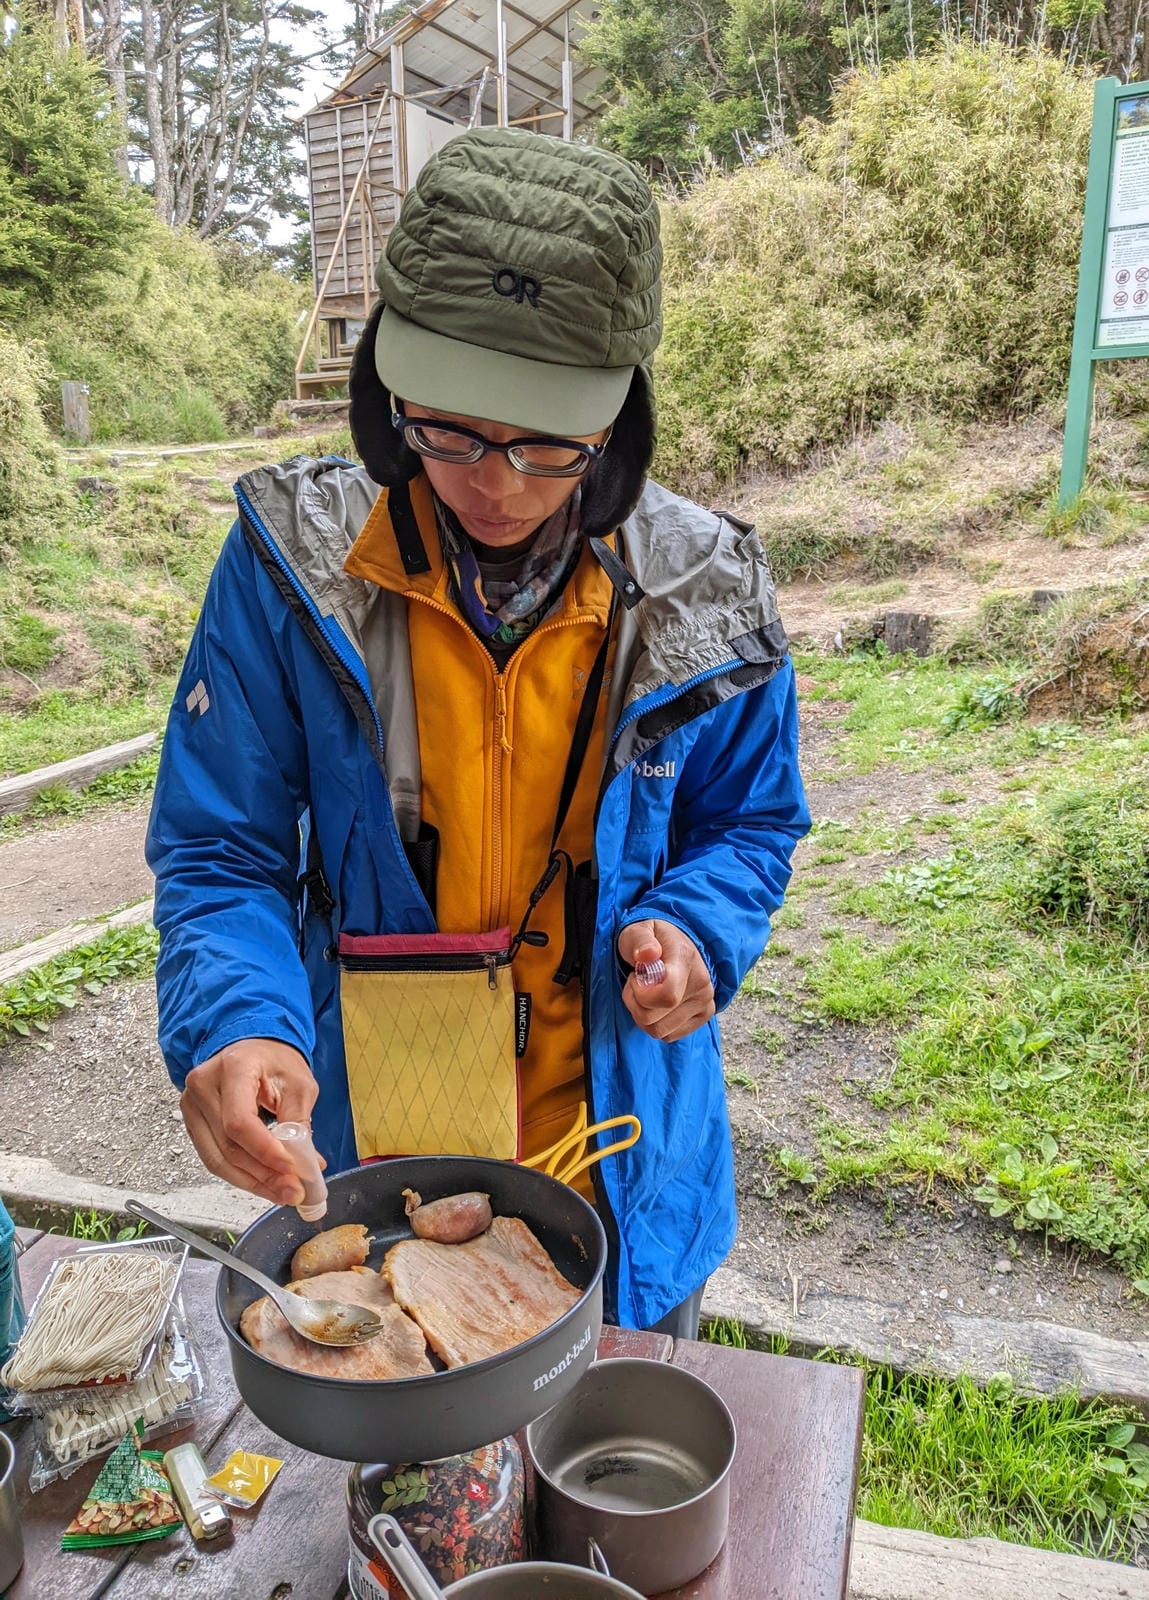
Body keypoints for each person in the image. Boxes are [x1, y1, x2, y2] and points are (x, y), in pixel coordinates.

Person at [147, 127, 809, 1335]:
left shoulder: (705, 595)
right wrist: (237, 1015)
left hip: (620, 1172)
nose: (495, 483)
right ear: (387, 397)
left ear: (618, 421)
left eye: (547, 442)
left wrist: (703, 930)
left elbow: (752, 819)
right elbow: (220, 848)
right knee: (403, 1496)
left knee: (607, 1491)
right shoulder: (291, 569)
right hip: (379, 1166)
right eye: (449, 429)